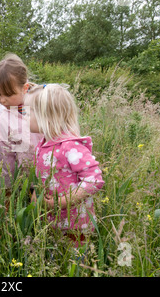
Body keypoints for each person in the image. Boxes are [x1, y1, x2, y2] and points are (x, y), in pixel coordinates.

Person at [25, 84, 104, 247]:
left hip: (75, 223)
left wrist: (62, 202)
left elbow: (94, 180)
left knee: (74, 263)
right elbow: (40, 174)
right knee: (56, 258)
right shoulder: (43, 144)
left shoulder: (70, 146)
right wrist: (34, 192)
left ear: (46, 116)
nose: (24, 117)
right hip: (52, 220)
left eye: (28, 112)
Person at [0, 54, 42, 189]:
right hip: (24, 183)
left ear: (24, 88)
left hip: (52, 179)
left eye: (8, 95)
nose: (2, 100)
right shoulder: (3, 118)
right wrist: (6, 188)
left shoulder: (42, 107)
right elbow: (5, 156)